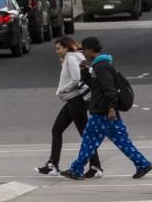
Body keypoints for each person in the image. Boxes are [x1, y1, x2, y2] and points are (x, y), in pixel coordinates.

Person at [61, 36, 152, 180]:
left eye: (84, 50)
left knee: (89, 139)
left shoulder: (101, 66)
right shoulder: (99, 65)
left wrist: (111, 108)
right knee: (120, 139)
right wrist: (85, 71)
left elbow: (109, 90)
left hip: (103, 112)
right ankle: (142, 164)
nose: (83, 54)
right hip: (107, 111)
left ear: (91, 49)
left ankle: (76, 169)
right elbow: (95, 87)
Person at [35, 37, 103, 178]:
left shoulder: (71, 58)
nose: (57, 51)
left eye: (59, 48)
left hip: (75, 100)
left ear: (66, 48)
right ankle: (53, 164)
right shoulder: (75, 57)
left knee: (84, 134)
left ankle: (95, 166)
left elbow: (76, 78)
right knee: (57, 130)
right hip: (73, 100)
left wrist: (62, 90)